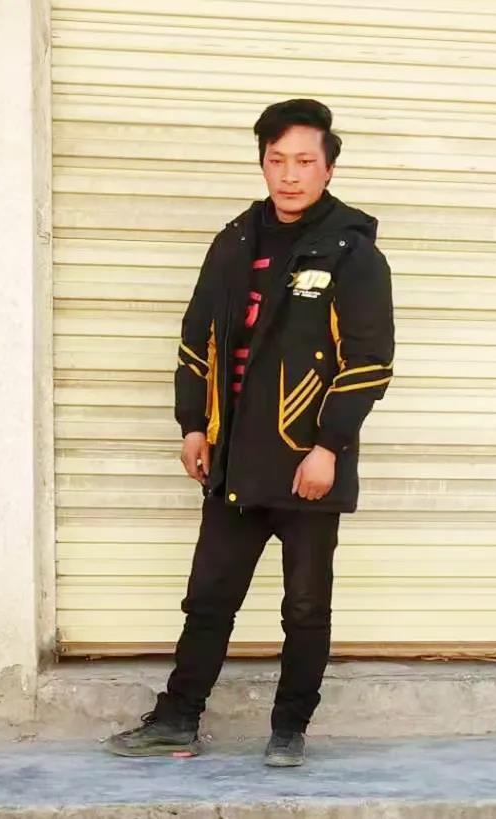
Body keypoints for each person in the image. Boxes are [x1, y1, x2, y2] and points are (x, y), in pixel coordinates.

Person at [107, 99, 395, 767]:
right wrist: (192, 426)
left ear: (328, 168)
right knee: (208, 598)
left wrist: (328, 447)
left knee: (305, 607)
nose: (290, 175)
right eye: (277, 160)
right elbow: (196, 339)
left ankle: (290, 729)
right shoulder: (234, 241)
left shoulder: (353, 252)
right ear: (262, 163)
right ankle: (176, 720)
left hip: (306, 463)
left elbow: (369, 362)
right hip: (234, 461)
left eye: (304, 161)